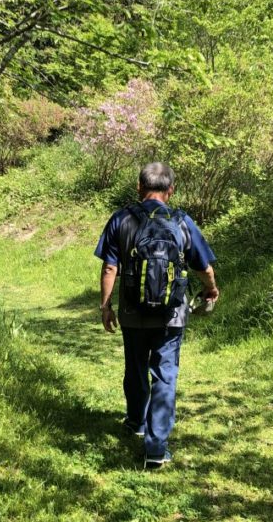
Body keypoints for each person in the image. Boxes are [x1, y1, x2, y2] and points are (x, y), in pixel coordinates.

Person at [94, 162, 219, 469]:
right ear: (170, 190)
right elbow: (203, 267)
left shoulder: (121, 219)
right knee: (164, 373)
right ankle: (155, 448)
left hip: (132, 312)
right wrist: (211, 289)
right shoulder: (182, 222)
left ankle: (136, 421)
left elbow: (110, 267)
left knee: (135, 367)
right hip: (170, 315)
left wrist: (106, 306)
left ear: (139, 187)